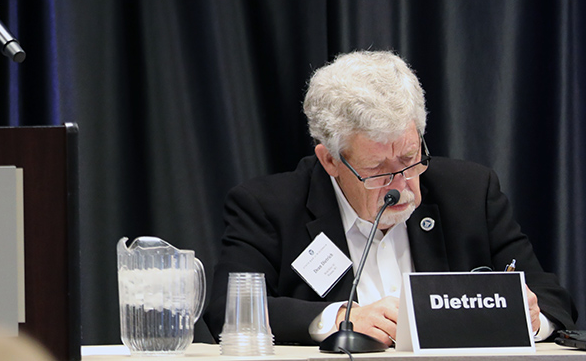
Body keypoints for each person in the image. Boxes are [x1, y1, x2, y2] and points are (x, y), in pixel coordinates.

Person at [204, 51, 577, 345]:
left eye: (410, 159)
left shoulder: (470, 192)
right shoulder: (268, 206)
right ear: (330, 160)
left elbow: (552, 298)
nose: (401, 183)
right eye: (379, 169)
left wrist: (533, 318)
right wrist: (339, 319)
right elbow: (228, 309)